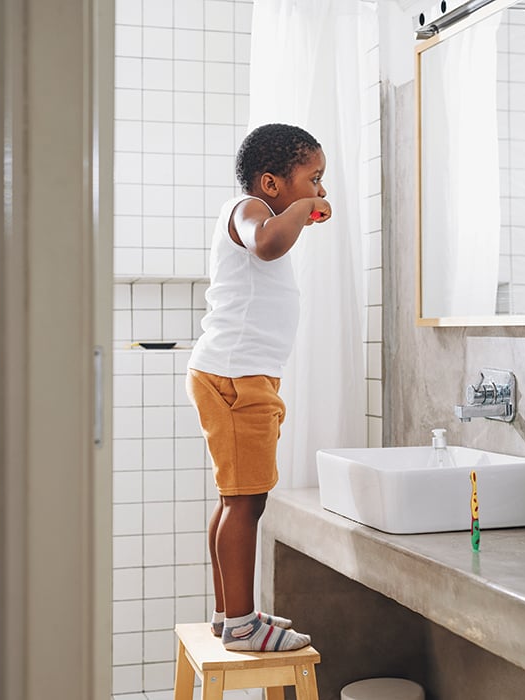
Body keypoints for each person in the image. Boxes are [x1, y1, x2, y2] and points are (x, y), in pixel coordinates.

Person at [186, 123, 331, 652]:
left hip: (240, 375)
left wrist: (301, 209)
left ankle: (230, 613)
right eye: (314, 178)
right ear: (270, 184)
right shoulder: (248, 211)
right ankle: (245, 627)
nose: (320, 191)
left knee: (238, 501)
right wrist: (300, 212)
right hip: (234, 378)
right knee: (244, 503)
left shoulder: (267, 213)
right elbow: (266, 246)